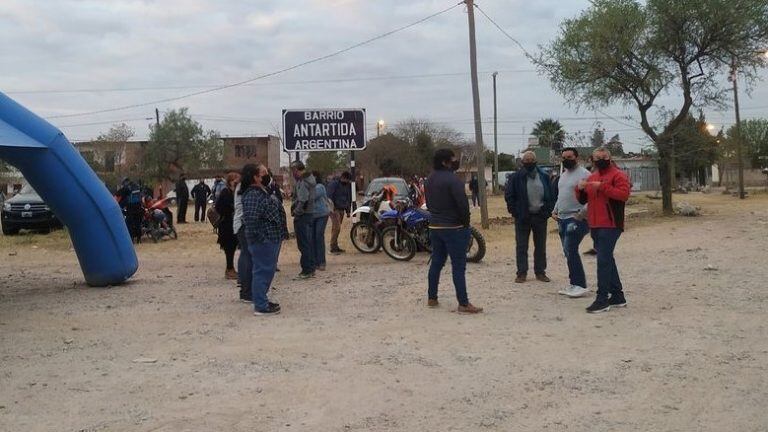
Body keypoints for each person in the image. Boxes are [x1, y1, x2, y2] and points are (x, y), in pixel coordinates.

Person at [424, 148, 483, 314]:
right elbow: (463, 205)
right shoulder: (453, 180)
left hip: (435, 226)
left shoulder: (429, 180)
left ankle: (432, 297)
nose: (456, 161)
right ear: (445, 162)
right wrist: (465, 224)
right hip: (454, 228)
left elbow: (428, 203)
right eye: (453, 159)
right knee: (458, 266)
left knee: (436, 262)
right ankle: (463, 303)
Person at [577, 147, 631, 313]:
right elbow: (583, 199)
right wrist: (579, 189)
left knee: (603, 261)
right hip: (595, 224)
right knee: (607, 259)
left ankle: (602, 299)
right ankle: (617, 295)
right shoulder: (592, 176)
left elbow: (623, 195)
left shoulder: (618, 175)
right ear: (592, 160)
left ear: (609, 157)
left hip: (611, 224)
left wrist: (603, 187)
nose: (600, 159)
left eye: (603, 156)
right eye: (597, 157)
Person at [505, 151, 555, 283]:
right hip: (522, 217)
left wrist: (547, 211)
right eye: (526, 160)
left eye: (531, 159)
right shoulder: (515, 177)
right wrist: (515, 212)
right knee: (521, 246)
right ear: (522, 162)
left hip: (540, 216)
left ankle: (540, 272)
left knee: (540, 246)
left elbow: (551, 195)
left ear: (536, 161)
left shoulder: (544, 176)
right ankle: (521, 273)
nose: (529, 162)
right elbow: (509, 196)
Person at [242, 164, 285, 316]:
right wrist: (263, 238)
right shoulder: (253, 195)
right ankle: (260, 305)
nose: (265, 176)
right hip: (264, 241)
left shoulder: (261, 192)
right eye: (262, 174)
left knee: (266, 271)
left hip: (270, 238)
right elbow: (252, 220)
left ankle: (262, 300)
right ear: (255, 177)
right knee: (262, 272)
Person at [552, 147, 592, 298]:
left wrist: (581, 215)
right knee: (568, 252)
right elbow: (561, 195)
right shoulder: (563, 176)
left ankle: (580, 285)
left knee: (571, 249)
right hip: (562, 218)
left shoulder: (585, 175)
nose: (566, 159)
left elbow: (591, 199)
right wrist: (555, 210)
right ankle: (574, 283)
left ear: (576, 157)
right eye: (563, 157)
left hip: (576, 219)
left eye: (569, 157)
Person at [290, 161, 317, 279]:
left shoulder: (303, 182)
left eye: (293, 171)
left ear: (297, 170)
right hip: (309, 214)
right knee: (308, 242)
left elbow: (303, 200)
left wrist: (296, 212)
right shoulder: (310, 180)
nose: (293, 174)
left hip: (303, 215)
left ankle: (306, 269)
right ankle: (311, 267)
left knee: (303, 243)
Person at [216, 172, 240, 280]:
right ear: (230, 181)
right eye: (235, 179)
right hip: (226, 225)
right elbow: (220, 207)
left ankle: (231, 269)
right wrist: (231, 209)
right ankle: (229, 269)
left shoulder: (234, 192)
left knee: (232, 248)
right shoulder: (225, 192)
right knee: (229, 248)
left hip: (232, 224)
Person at [326, 171, 352, 253]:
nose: (347, 182)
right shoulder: (334, 184)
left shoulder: (347, 186)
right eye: (347, 180)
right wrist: (331, 208)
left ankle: (334, 245)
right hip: (335, 209)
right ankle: (333, 246)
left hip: (342, 209)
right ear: (343, 178)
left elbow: (348, 198)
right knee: (337, 227)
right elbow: (329, 196)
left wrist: (348, 211)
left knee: (336, 228)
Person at [311, 171, 330, 271]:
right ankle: (315, 262)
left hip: (322, 215)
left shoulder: (320, 187)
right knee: (313, 238)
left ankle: (322, 261)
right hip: (312, 215)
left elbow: (312, 196)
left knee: (318, 236)